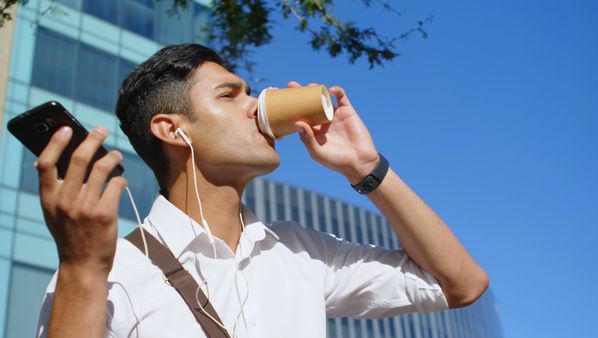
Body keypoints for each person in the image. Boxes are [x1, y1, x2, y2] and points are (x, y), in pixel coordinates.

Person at [36, 44, 488, 338]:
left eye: (250, 92)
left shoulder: (299, 253)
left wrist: (366, 168)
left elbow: (461, 284)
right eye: (230, 95)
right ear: (173, 131)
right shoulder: (105, 269)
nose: (257, 105)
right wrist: (81, 270)